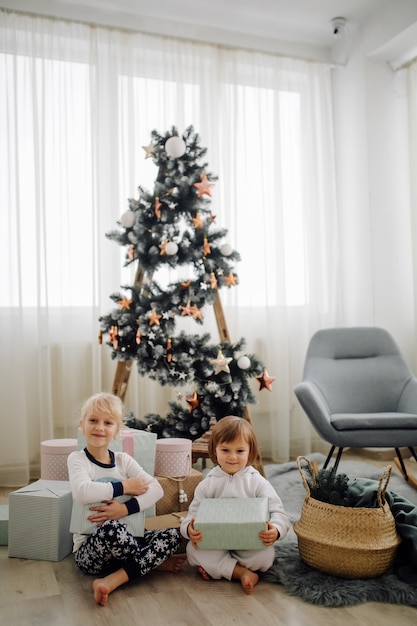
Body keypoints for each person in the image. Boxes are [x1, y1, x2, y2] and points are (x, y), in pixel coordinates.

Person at [68, 392, 185, 606]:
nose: (99, 428)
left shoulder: (123, 460)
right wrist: (124, 486)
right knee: (112, 529)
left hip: (128, 539)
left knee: (173, 536)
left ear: (117, 431)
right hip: (92, 551)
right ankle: (151, 563)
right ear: (82, 425)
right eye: (93, 421)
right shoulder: (78, 459)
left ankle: (115, 578)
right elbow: (82, 491)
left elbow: (156, 489)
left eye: (108, 423)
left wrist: (125, 509)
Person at [180, 415, 291, 595]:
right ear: (215, 450)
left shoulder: (257, 482)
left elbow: (279, 513)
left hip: (248, 542)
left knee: (265, 556)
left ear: (250, 452)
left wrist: (276, 530)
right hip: (215, 541)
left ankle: (223, 569)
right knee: (193, 551)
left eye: (240, 451)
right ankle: (241, 572)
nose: (232, 457)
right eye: (225, 450)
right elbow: (192, 515)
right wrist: (189, 530)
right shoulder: (207, 483)